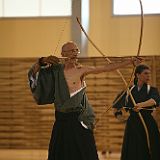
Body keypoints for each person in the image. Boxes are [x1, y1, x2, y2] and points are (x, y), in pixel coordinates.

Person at [28, 41, 141, 160]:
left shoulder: (81, 70)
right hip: (61, 120)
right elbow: (33, 72)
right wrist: (42, 60)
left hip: (78, 119)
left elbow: (106, 68)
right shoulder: (55, 70)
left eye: (76, 50)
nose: (75, 53)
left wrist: (130, 61)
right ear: (63, 53)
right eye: (71, 50)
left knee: (86, 153)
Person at [113, 64, 160, 160]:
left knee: (151, 148)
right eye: (145, 73)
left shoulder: (152, 90)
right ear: (137, 75)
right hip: (133, 124)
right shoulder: (128, 91)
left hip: (148, 123)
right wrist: (120, 117)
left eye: (149, 74)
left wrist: (140, 105)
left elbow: (154, 100)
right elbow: (116, 106)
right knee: (133, 150)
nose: (148, 76)